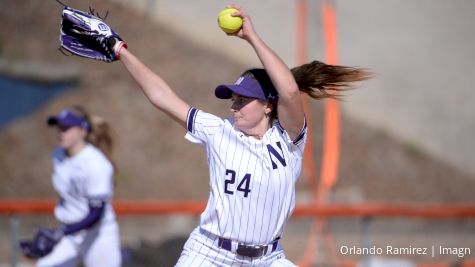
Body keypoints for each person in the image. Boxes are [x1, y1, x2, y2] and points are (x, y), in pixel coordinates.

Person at [112, 5, 369, 266]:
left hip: (269, 258)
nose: (233, 106)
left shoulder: (288, 141)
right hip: (211, 253)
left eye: (243, 100)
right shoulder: (218, 131)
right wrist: (121, 52)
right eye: (234, 99)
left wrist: (251, 38)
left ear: (268, 105)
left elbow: (289, 91)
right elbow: (162, 97)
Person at [37, 106, 121, 267]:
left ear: (83, 131)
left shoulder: (96, 164)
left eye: (67, 128)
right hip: (71, 232)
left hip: (98, 234)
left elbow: (96, 213)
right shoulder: (58, 155)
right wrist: (63, 230)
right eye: (59, 127)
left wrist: (62, 233)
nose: (61, 132)